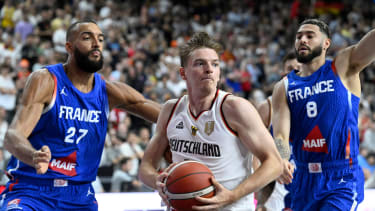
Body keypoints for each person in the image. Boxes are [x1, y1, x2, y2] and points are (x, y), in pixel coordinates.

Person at [0, 19, 160, 210]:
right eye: (87, 37)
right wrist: (33, 156)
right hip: (32, 192)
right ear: (69, 46)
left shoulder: (108, 91)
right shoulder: (46, 80)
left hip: (80, 196)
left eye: (100, 39)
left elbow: (165, 114)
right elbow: (12, 137)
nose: (96, 43)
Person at [139, 32, 283, 210]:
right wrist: (157, 181)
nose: (209, 69)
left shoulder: (235, 108)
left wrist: (233, 195)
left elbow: (275, 163)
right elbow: (145, 167)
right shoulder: (171, 110)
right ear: (183, 73)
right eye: (200, 63)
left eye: (215, 64)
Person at [272, 18, 373, 210]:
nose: (303, 40)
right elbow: (281, 136)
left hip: (341, 175)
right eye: (299, 36)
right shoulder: (283, 87)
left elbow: (369, 45)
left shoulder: (343, 66)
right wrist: (282, 158)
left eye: (310, 36)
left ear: (326, 43)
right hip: (303, 178)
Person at [254, 52, 301, 211]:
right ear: (283, 73)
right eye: (290, 68)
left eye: (298, 68)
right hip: (278, 182)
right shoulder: (267, 106)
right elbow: (253, 149)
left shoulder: (315, 102)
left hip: (308, 176)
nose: (294, 71)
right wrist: (256, 191)